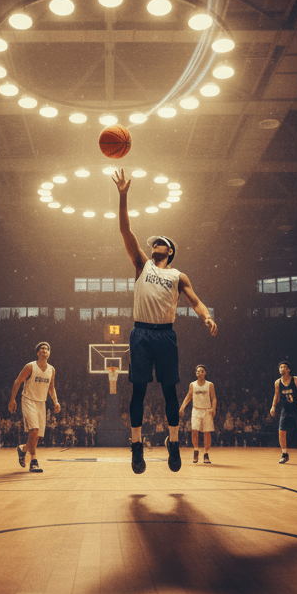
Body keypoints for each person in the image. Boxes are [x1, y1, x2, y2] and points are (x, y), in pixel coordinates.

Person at [111, 168, 218, 474]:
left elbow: (195, 302)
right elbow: (125, 230)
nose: (153, 243)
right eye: (153, 242)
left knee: (170, 391)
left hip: (166, 335)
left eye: (158, 242)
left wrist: (207, 317)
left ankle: (173, 443)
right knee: (139, 392)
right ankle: (136, 445)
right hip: (141, 333)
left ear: (168, 250)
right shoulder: (141, 264)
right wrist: (123, 195)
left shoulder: (177, 275)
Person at [8, 342, 61, 473]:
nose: (44, 350)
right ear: (38, 353)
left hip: (41, 403)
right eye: (42, 349)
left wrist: (56, 401)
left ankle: (23, 448)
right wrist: (12, 400)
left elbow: (51, 388)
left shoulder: (51, 370)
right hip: (28, 400)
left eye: (47, 349)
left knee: (36, 435)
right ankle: (33, 460)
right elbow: (17, 381)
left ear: (49, 353)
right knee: (34, 430)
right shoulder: (30, 366)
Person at [179, 365, 216, 464]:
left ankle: (205, 453)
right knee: (194, 430)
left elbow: (214, 398)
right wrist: (183, 406)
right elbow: (188, 396)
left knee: (206, 433)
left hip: (207, 410)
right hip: (196, 410)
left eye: (202, 371)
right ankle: (196, 450)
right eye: (198, 371)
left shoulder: (210, 385)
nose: (200, 373)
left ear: (205, 373)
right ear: (196, 373)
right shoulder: (192, 385)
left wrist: (213, 408)